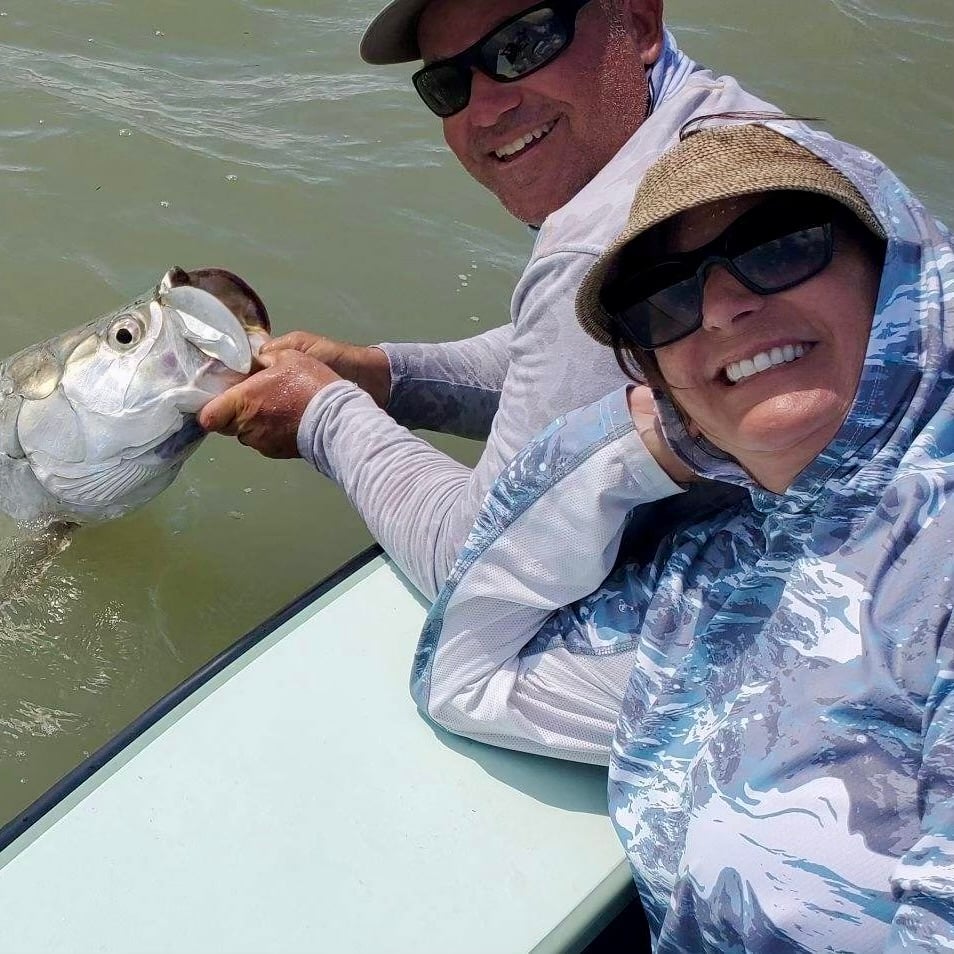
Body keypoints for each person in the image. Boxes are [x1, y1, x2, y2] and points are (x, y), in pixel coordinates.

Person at [409, 120, 954, 949]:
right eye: (662, 300)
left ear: (897, 269)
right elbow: (465, 673)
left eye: (778, 246)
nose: (722, 308)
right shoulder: (711, 587)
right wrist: (635, 447)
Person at [198, 0, 778, 600]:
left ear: (637, 23)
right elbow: (579, 359)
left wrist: (323, 417)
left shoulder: (612, 245)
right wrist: (380, 375)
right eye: (448, 84)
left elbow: (479, 568)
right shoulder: (728, 124)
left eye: (522, 46)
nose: (486, 109)